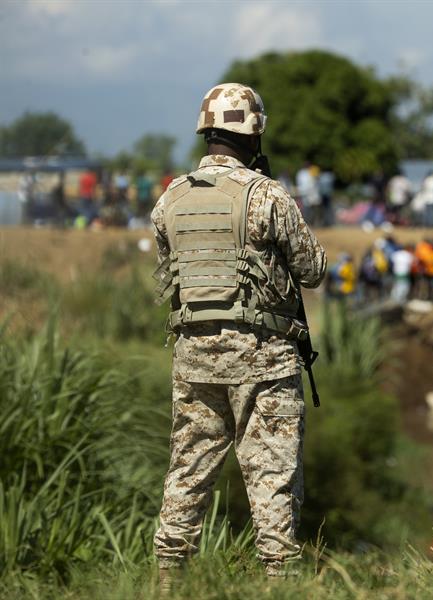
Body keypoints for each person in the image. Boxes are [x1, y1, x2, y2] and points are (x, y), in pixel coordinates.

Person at [150, 83, 327, 589]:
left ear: (206, 131)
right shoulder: (266, 195)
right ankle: (278, 582)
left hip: (193, 359)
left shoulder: (170, 199)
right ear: (255, 133)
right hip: (263, 361)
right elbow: (312, 268)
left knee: (187, 473)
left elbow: (173, 271)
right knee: (271, 480)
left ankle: (167, 582)